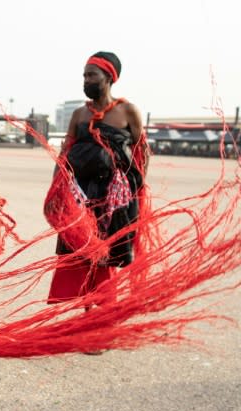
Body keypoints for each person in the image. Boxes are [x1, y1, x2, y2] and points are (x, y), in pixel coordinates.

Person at [46, 51, 148, 304]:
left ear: (109, 78)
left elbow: (142, 152)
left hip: (111, 199)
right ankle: (86, 309)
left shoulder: (128, 111)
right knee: (79, 252)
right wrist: (56, 188)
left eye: (92, 75)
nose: (86, 80)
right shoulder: (80, 114)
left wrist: (136, 188)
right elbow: (65, 152)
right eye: (84, 75)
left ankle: (102, 311)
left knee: (106, 255)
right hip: (80, 195)